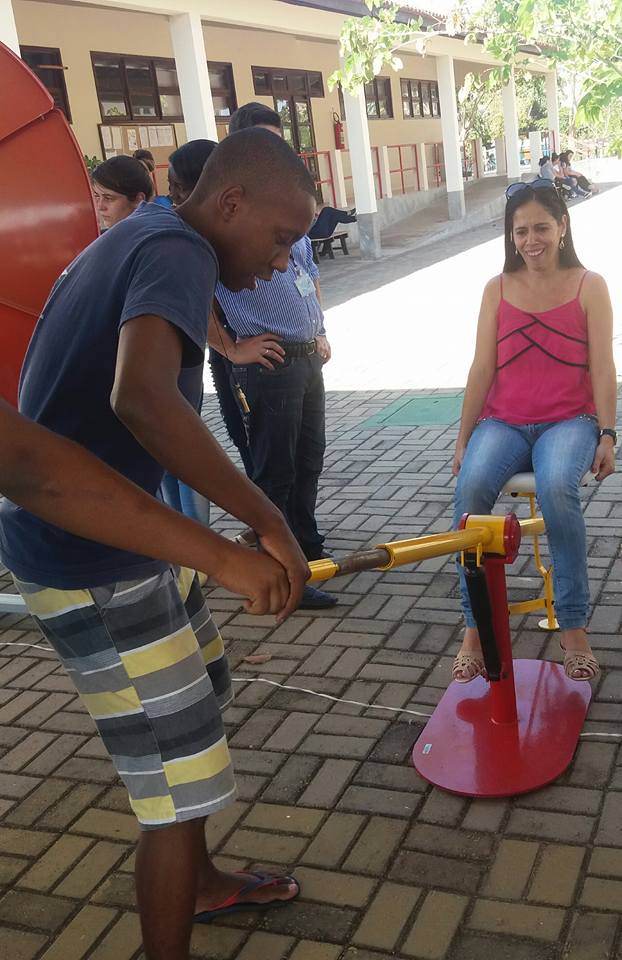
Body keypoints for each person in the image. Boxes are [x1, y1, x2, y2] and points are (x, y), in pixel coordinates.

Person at [0, 128, 315, 960]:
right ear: (232, 202)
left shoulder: (153, 234)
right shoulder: (177, 246)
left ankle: (203, 884)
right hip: (90, 559)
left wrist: (244, 526)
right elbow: (143, 399)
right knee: (178, 783)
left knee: (200, 702)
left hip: (129, 539)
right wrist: (261, 528)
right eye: (281, 239)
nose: (284, 263)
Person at [451, 177, 616, 685]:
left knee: (557, 489)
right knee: (470, 490)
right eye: (520, 231)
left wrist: (608, 433)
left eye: (541, 227)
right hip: (504, 421)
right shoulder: (496, 289)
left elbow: (603, 368)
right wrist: (463, 440)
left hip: (570, 420)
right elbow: (482, 369)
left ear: (563, 226)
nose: (531, 240)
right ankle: (475, 629)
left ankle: (572, 630)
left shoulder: (591, 285)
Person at [211, 103, 337, 609]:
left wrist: (321, 330)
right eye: (264, 144)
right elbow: (198, 292)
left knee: (309, 460)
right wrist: (230, 347)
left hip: (308, 357)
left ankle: (306, 550)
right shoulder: (228, 220)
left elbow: (309, 276)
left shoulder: (288, 209)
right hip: (269, 362)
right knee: (274, 470)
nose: (277, 155)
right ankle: (281, 573)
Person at [0, 399, 288, 597]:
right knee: (179, 686)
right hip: (88, 564)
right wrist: (226, 557)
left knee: (210, 678)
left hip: (138, 544)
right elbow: (34, 471)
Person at [92, 155, 154, 229]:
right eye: (97, 196)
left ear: (138, 200)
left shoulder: (156, 238)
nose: (100, 207)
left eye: (109, 198)